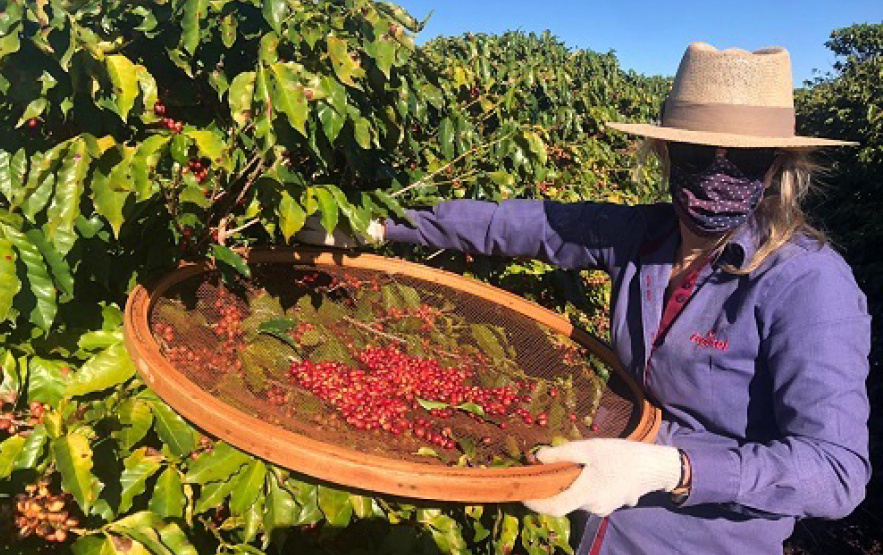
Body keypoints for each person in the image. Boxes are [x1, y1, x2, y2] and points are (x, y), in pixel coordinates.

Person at [297, 42, 871, 555]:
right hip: (595, 528)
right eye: (698, 157)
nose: (717, 176)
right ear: (667, 157)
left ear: (775, 167)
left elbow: (836, 472)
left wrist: (671, 469)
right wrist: (380, 225)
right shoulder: (644, 236)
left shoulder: (808, 284)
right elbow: (515, 225)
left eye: (743, 161)